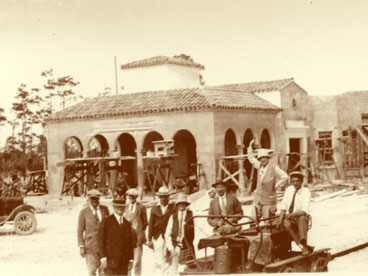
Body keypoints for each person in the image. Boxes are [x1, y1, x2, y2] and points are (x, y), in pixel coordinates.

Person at [248, 139, 289, 221]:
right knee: (253, 219)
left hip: (269, 200)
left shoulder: (274, 167)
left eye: (264, 158)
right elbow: (251, 158)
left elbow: (285, 177)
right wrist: (249, 147)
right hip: (258, 199)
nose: (262, 160)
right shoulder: (259, 166)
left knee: (268, 221)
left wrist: (277, 185)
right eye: (260, 158)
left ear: (268, 158)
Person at [98, 195, 135, 276]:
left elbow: (130, 243)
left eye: (122, 207)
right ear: (113, 207)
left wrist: (131, 259)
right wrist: (103, 258)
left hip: (123, 262)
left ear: (125, 208)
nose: (120, 209)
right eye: (117, 206)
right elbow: (101, 241)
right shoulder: (106, 222)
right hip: (110, 262)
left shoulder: (127, 223)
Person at [279, 171, 313, 255]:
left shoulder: (306, 192)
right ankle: (300, 245)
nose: (295, 183)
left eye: (297, 181)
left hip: (300, 216)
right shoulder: (288, 190)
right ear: (291, 182)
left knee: (301, 219)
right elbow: (283, 206)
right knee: (286, 225)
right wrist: (280, 220)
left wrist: (293, 214)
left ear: (301, 181)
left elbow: (304, 211)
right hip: (289, 217)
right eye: (293, 181)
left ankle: (304, 246)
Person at [77, 189, 110, 276]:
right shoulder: (83, 212)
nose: (94, 201)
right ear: (88, 199)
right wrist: (81, 246)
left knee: (103, 271)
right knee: (92, 271)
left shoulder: (105, 209)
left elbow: (109, 227)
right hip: (90, 247)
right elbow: (80, 230)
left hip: (104, 246)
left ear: (99, 199)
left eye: (96, 199)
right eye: (92, 199)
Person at [147, 186, 176, 276]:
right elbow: (151, 224)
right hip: (157, 236)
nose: (163, 199)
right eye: (161, 197)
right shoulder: (154, 208)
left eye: (165, 196)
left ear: (168, 197)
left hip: (168, 236)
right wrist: (149, 239)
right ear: (159, 197)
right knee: (158, 259)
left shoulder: (173, 207)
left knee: (167, 258)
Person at [165, 193, 195, 275]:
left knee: (186, 271)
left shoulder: (191, 215)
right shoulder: (173, 217)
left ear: (186, 204)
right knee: (173, 271)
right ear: (177, 205)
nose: (182, 205)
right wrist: (171, 249)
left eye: (183, 203)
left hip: (187, 246)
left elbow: (196, 231)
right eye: (180, 203)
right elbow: (167, 234)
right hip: (175, 247)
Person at [124, 188, 148, 276]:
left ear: (136, 197)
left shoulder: (141, 207)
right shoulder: (125, 207)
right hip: (127, 237)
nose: (131, 198)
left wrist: (140, 231)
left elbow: (145, 222)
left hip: (138, 236)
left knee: (137, 260)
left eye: (133, 196)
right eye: (130, 196)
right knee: (127, 259)